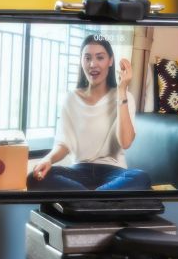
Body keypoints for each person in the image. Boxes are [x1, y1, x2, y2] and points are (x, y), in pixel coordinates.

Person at [27, 34, 151, 191]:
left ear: (110, 61)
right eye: (87, 58)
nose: (93, 64)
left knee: (140, 178)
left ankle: (84, 200)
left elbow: (125, 142)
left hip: (114, 174)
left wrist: (121, 90)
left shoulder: (126, 98)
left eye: (100, 57)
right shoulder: (71, 99)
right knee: (35, 178)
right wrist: (47, 160)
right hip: (78, 172)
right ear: (81, 61)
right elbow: (64, 144)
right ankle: (98, 201)